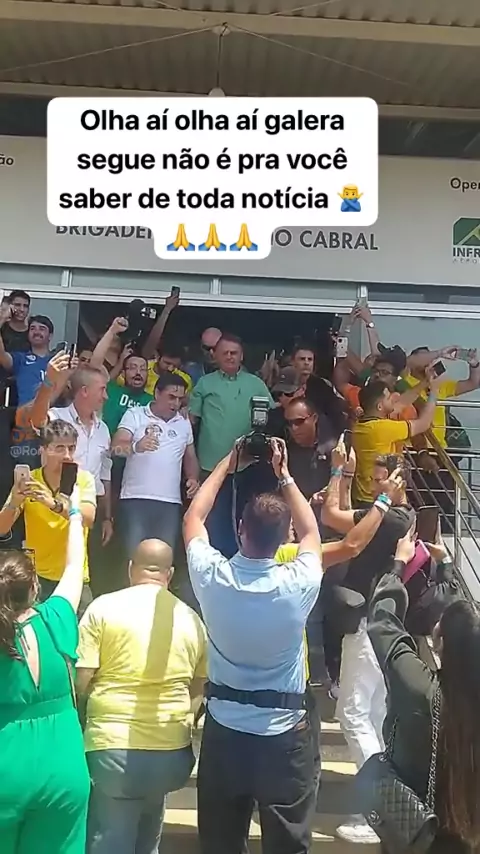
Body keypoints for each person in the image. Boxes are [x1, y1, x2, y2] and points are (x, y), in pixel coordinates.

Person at [184, 438, 322, 854]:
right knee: (288, 844)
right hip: (283, 733)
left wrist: (228, 463)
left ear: (240, 529)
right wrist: (285, 476)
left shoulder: (213, 577)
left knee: (220, 843)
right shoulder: (297, 582)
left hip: (226, 731)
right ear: (283, 538)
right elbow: (312, 532)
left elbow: (194, 517)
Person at [76, 538, 207, 854]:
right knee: (148, 837)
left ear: (130, 569)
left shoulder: (102, 608)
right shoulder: (191, 618)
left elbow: (81, 681)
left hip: (112, 751)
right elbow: (199, 687)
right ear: (169, 574)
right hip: (171, 753)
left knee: (111, 840)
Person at [321, 449, 415, 844]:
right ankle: (385, 809)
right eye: (373, 480)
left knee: (353, 713)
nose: (375, 487)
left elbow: (333, 518)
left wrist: (336, 470)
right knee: (373, 715)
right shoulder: (402, 517)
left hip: (366, 624)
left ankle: (375, 809)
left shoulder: (391, 517)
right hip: (380, 622)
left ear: (398, 481)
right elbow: (349, 515)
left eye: (381, 481)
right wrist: (346, 479)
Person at [368, 530, 480, 854]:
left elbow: (384, 623)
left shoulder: (419, 687)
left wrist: (397, 567)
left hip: (415, 830)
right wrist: (444, 566)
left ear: (440, 641)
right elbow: (467, 630)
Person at [0, 486, 90, 854]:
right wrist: (74, 515)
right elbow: (73, 566)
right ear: (35, 586)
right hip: (63, 765)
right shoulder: (57, 618)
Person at [0, 419, 97, 616]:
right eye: (59, 448)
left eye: (71, 448)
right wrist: (14, 502)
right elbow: (2, 528)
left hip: (74, 574)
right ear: (43, 450)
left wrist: (53, 504)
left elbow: (89, 518)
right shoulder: (31, 481)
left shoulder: (83, 478)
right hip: (37, 578)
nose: (67, 455)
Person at [189, 333, 273, 557]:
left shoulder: (256, 384)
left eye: (234, 353)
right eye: (224, 353)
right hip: (211, 466)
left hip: (248, 466)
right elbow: (190, 422)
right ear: (215, 356)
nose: (229, 357)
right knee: (212, 523)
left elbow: (273, 418)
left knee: (245, 521)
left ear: (241, 355)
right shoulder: (205, 383)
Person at [113, 372, 199, 556]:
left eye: (180, 399)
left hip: (170, 502)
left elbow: (190, 456)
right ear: (157, 393)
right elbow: (116, 446)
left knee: (164, 557)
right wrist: (136, 446)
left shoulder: (183, 422)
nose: (176, 403)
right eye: (171, 397)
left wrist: (193, 478)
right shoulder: (135, 414)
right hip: (135, 498)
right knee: (134, 556)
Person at [48, 366, 113, 547]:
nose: (106, 396)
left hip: (92, 509)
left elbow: (105, 475)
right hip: (56, 503)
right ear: (84, 391)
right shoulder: (55, 417)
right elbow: (34, 420)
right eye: (102, 389)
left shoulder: (103, 429)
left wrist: (107, 517)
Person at [352, 377, 441, 506]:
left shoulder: (362, 423)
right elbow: (424, 423)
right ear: (380, 406)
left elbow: (402, 403)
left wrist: (426, 381)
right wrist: (434, 393)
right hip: (378, 499)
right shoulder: (382, 428)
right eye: (389, 398)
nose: (394, 399)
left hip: (364, 496)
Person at [0, 314, 54, 406]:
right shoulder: (20, 359)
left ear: (50, 336)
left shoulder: (59, 360)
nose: (36, 332)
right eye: (32, 328)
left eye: (42, 329)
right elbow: (2, 355)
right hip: (26, 412)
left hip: (53, 412)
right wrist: (1, 320)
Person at [101, 352, 153, 436]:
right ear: (123, 373)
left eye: (143, 369)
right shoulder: (110, 390)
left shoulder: (151, 401)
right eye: (133, 368)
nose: (138, 372)